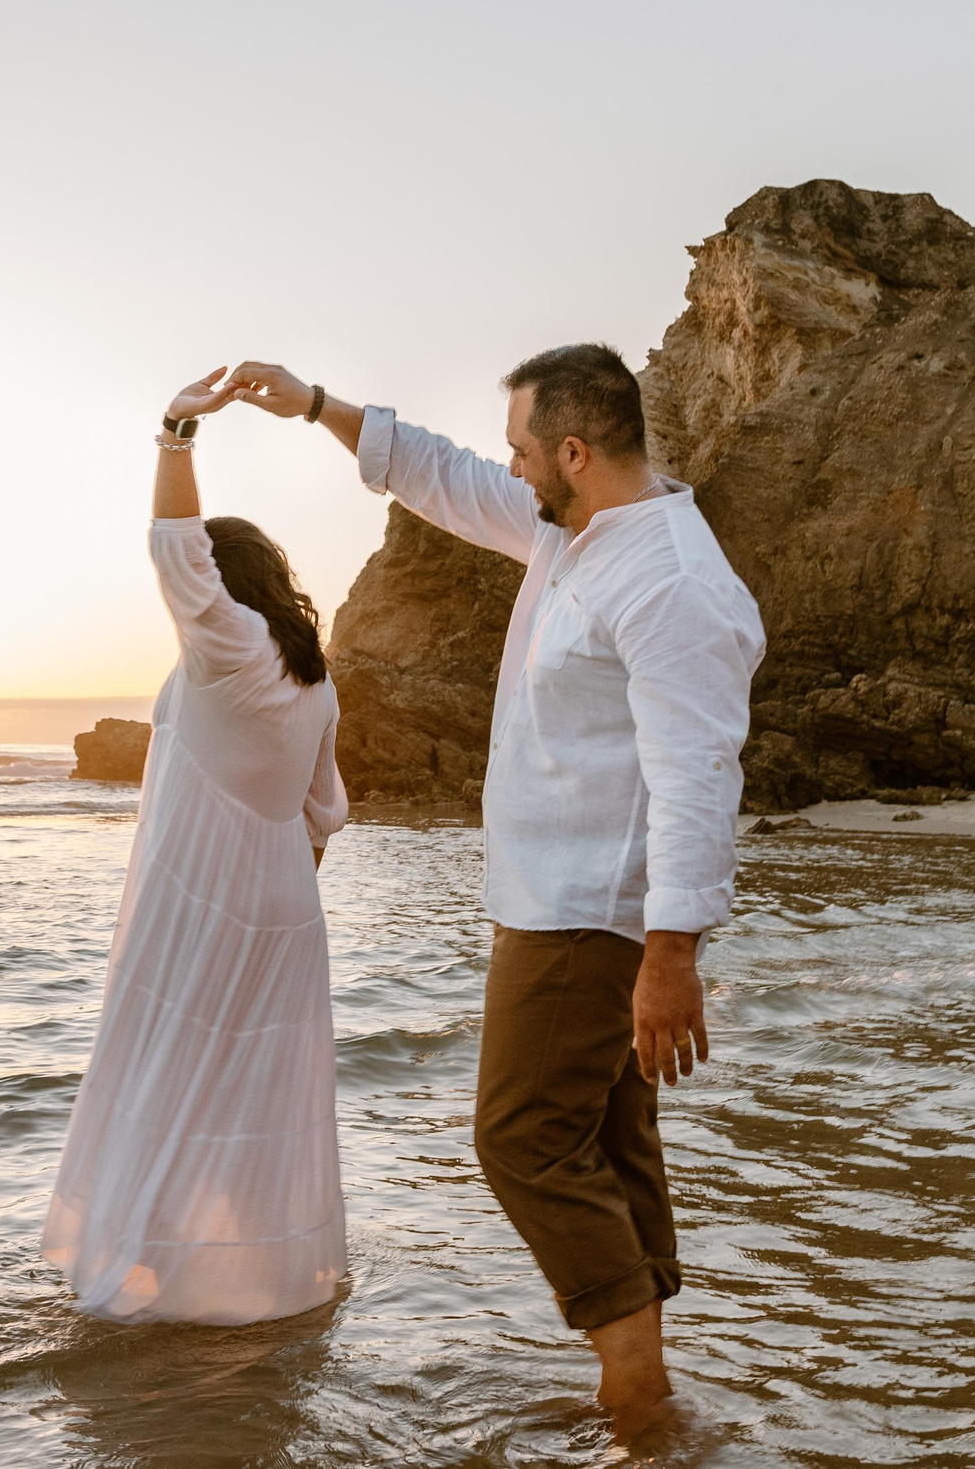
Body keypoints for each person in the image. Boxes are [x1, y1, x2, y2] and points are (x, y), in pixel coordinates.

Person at [224, 346, 764, 1421]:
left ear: (573, 450)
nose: (509, 468)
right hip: (551, 900)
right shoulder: (572, 529)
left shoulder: (670, 581)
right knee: (610, 1141)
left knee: (518, 1137)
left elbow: (697, 774)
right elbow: (441, 474)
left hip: (590, 916)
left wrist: (672, 953)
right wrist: (316, 407)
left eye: (524, 449)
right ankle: (644, 1383)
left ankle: (635, 1385)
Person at [42, 366, 352, 1325]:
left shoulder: (231, 645)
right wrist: (267, 904)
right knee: (243, 1095)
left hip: (206, 899)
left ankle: (157, 1278)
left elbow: (175, 547)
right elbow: (323, 814)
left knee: (166, 1069)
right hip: (281, 908)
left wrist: (176, 429)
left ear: (224, 586)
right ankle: (252, 1276)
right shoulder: (314, 678)